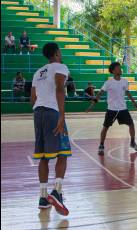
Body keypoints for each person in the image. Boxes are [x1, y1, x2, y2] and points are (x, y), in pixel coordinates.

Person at [30, 42, 71, 216]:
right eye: (60, 51)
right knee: (63, 153)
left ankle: (43, 197)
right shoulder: (60, 67)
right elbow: (60, 88)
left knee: (44, 156)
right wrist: (61, 116)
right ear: (56, 53)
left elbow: (32, 99)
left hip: (38, 113)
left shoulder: (38, 72)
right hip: (53, 112)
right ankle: (57, 191)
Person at [87, 62, 137, 155]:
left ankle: (132, 143)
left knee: (131, 125)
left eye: (120, 68)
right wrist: (92, 105)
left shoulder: (125, 81)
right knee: (105, 128)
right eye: (118, 68)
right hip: (111, 109)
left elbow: (127, 92)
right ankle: (101, 145)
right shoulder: (108, 83)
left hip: (123, 109)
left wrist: (134, 102)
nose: (120, 69)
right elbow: (100, 94)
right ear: (113, 71)